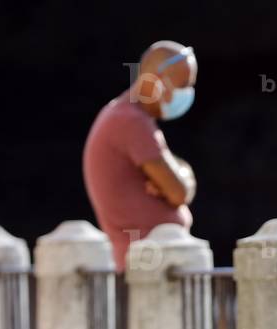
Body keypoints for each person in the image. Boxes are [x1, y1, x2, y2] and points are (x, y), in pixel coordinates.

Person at [83, 40, 199, 270]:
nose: (188, 93)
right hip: (149, 267)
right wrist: (177, 181)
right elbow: (179, 192)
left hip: (153, 263)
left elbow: (179, 180)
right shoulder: (131, 122)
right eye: (183, 85)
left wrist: (179, 174)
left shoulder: (128, 117)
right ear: (154, 82)